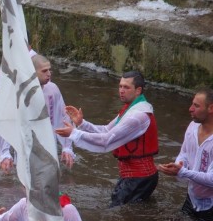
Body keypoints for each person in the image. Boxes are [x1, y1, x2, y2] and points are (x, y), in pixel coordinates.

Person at [55, 71, 158, 207]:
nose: (121, 91)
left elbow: (106, 140)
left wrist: (73, 133)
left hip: (139, 177)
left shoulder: (138, 116)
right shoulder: (130, 109)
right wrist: (82, 124)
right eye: (120, 86)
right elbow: (106, 130)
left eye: (126, 87)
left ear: (138, 90)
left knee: (117, 213)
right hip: (134, 175)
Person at [0, 54, 75, 171]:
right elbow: (6, 123)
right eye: (44, 71)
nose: (49, 73)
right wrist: (5, 154)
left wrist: (67, 147)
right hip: (25, 146)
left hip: (49, 146)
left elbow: (63, 117)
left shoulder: (52, 89)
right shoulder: (18, 93)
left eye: (50, 70)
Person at [158, 88, 213, 221]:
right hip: (192, 197)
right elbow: (184, 153)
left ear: (211, 108)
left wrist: (182, 172)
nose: (190, 109)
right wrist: (179, 165)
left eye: (196, 105)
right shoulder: (193, 127)